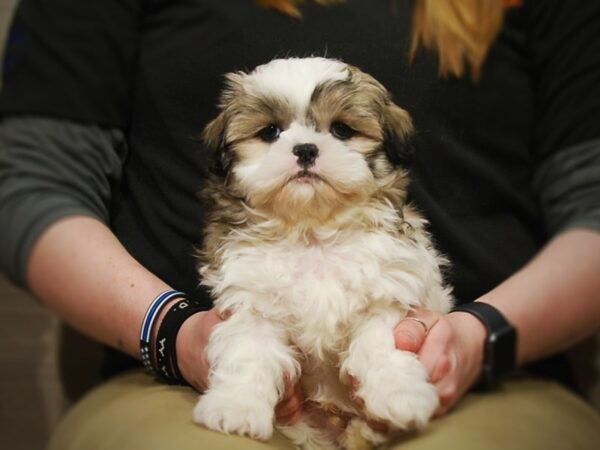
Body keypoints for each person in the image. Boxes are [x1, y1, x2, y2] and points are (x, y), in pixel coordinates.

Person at [0, 0, 599, 448]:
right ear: (226, 160)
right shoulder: (240, 257)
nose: (305, 148)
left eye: (341, 131)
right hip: (176, 378)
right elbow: (30, 185)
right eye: (270, 132)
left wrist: (477, 337)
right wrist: (180, 335)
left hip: (491, 376)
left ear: (388, 145)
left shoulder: (390, 253)